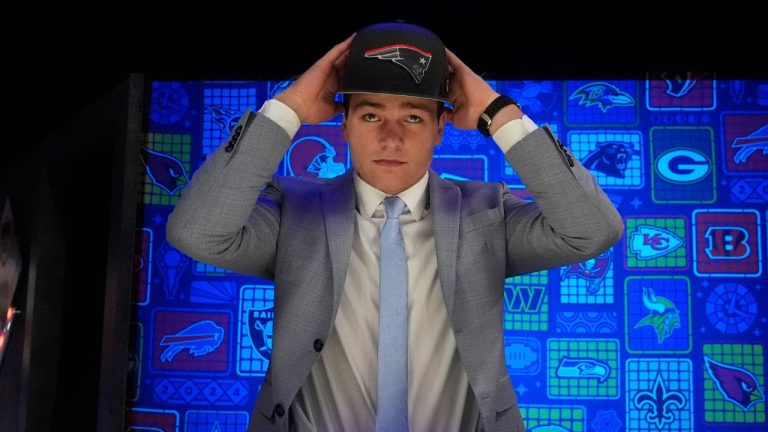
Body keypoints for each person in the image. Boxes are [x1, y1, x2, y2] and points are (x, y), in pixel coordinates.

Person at [167, 22, 623, 432]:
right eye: (370, 115)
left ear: (441, 126)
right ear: (342, 123)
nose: (390, 137)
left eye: (412, 116)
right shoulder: (293, 211)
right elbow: (197, 232)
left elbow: (592, 229)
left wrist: (496, 111)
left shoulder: (487, 213)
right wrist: (287, 109)